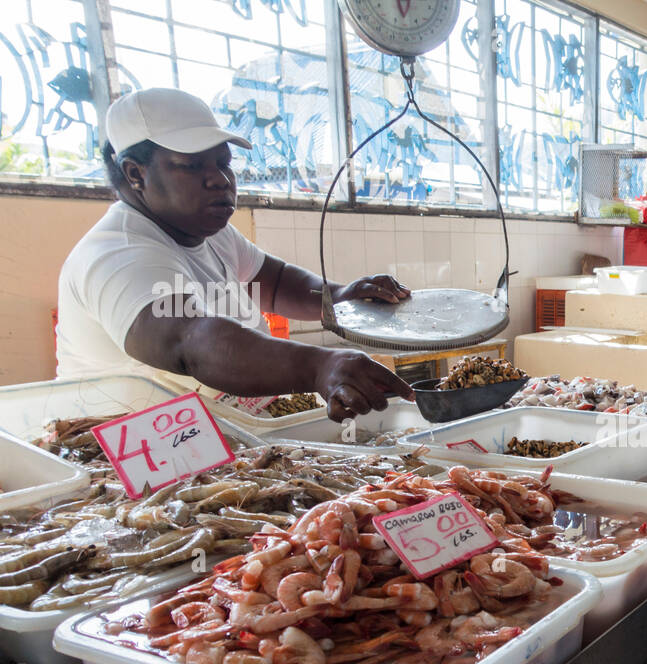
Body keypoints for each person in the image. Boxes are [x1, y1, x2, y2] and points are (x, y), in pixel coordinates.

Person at [58, 88, 414, 421]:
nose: (219, 180)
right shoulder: (118, 252)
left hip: (219, 430)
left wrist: (339, 298)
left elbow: (273, 283)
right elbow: (190, 343)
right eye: (193, 166)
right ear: (135, 173)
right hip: (127, 458)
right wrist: (320, 367)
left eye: (222, 163)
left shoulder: (210, 233)